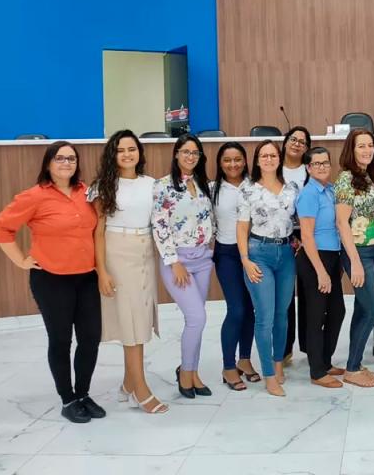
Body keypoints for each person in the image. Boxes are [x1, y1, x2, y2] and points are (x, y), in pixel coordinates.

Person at [0, 141, 104, 423]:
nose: (66, 163)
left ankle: (83, 394)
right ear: (47, 163)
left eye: (71, 158)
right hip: (51, 280)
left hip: (86, 277)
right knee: (60, 340)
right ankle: (68, 399)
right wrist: (20, 260)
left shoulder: (87, 192)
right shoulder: (34, 196)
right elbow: (1, 227)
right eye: (59, 158)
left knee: (90, 339)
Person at [89, 130, 167, 414]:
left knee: (141, 315)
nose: (127, 154)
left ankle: (127, 382)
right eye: (120, 150)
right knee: (130, 320)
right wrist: (102, 272)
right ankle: (140, 387)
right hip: (117, 252)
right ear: (113, 155)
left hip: (145, 251)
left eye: (131, 149)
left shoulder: (152, 184)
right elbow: (97, 233)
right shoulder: (104, 186)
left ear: (139, 152)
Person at [152, 134, 214, 399]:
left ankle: (192, 371)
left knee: (196, 320)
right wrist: (173, 261)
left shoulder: (203, 184)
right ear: (176, 153)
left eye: (195, 153)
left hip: (203, 260)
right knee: (197, 317)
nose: (190, 157)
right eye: (185, 152)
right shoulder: (162, 186)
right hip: (177, 261)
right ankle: (185, 371)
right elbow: (159, 225)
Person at [236, 140, 299, 396]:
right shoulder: (248, 189)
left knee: (282, 315)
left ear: (279, 158)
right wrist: (245, 259)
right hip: (258, 254)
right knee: (265, 316)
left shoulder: (291, 188)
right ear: (257, 159)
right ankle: (269, 375)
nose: (269, 159)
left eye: (273, 155)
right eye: (264, 155)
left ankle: (277, 362)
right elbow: (241, 227)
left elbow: (297, 222)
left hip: (285, 253)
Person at [335, 129, 374, 387]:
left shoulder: (369, 176)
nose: (367, 150)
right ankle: (352, 369)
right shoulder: (346, 179)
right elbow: (342, 223)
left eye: (370, 145)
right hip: (359, 254)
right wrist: (355, 262)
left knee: (363, 309)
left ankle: (353, 363)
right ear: (351, 150)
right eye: (361, 146)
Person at [211, 142, 260, 392]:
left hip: (254, 254)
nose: (233, 164)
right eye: (227, 160)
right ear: (220, 164)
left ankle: (245, 359)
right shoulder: (212, 190)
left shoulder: (254, 187)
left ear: (245, 161)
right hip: (227, 254)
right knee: (237, 309)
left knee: (251, 310)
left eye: (238, 159)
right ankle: (228, 365)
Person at [296, 147, 346, 388]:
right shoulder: (309, 194)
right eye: (317, 163)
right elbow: (306, 235)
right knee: (316, 316)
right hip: (315, 259)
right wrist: (321, 271)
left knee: (337, 312)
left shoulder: (331, 190)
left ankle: (325, 362)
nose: (323, 167)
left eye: (326, 162)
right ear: (308, 167)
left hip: (332, 256)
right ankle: (317, 371)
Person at [282, 125, 312, 364]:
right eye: (293, 139)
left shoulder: (310, 171)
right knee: (285, 297)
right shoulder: (272, 168)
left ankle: (310, 346)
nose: (297, 144)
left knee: (309, 294)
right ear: (285, 142)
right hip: (280, 238)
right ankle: (284, 349)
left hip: (307, 239)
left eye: (302, 142)